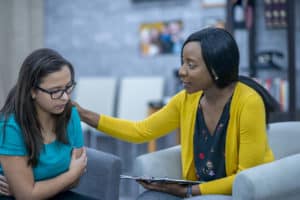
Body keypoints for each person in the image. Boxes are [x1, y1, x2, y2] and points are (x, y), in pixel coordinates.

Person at [75, 27, 278, 199]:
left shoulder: (249, 102)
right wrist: (85, 115)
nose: (181, 71)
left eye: (191, 65)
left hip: (240, 193)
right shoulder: (187, 99)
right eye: (183, 62)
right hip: (197, 190)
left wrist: (187, 190)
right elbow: (141, 131)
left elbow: (244, 178)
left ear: (216, 70)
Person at [0, 48, 96, 199]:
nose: (65, 97)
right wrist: (71, 175)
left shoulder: (71, 115)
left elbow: (76, 181)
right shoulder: (11, 126)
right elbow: (26, 197)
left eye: (68, 87)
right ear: (32, 91)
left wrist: (33, 189)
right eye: (55, 91)